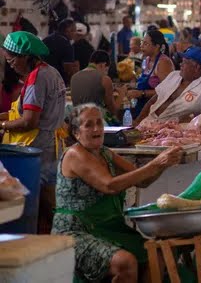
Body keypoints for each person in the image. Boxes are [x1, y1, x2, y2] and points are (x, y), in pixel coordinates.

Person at [52, 103, 183, 282]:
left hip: (107, 229)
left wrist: (164, 165)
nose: (96, 128)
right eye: (88, 125)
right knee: (125, 262)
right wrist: (155, 164)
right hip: (75, 233)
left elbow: (143, 181)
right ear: (76, 132)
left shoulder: (106, 153)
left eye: (99, 123)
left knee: (158, 252)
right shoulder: (75, 154)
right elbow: (109, 185)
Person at [1, 31, 67, 233]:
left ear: (26, 56)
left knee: (35, 207)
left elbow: (29, 121)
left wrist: (2, 127)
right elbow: (21, 114)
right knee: (51, 207)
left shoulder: (36, 78)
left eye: (12, 59)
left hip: (35, 149)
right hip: (50, 146)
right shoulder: (51, 72)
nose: (10, 64)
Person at [134, 47, 201, 125]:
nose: (180, 64)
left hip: (172, 133)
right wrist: (137, 121)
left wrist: (194, 119)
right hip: (148, 122)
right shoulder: (174, 75)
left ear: (196, 67)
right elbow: (153, 100)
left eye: (184, 62)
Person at [127, 30, 175, 118]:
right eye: (142, 42)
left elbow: (168, 92)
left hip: (156, 111)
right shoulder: (147, 60)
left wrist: (142, 93)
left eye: (146, 44)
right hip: (143, 108)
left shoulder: (163, 63)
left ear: (156, 46)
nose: (141, 46)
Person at [71, 51, 128, 122]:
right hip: (96, 122)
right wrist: (122, 93)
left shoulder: (74, 77)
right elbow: (113, 111)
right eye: (106, 70)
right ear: (103, 65)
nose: (106, 73)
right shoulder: (104, 79)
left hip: (77, 121)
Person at [43, 18, 78, 85]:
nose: (75, 33)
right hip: (57, 81)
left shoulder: (46, 40)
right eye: (74, 30)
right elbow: (68, 69)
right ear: (67, 30)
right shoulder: (67, 45)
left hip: (41, 77)